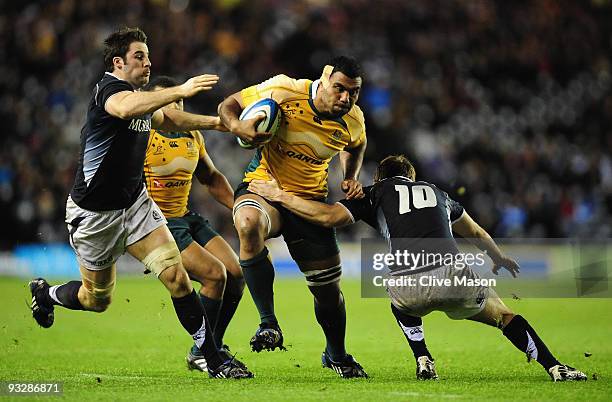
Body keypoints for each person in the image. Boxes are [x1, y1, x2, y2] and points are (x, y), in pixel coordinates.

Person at [28, 27, 252, 379]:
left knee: (178, 278)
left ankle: (214, 360)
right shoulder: (109, 91)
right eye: (139, 56)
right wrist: (180, 89)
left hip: (134, 205)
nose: (147, 62)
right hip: (94, 215)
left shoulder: (138, 98)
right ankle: (47, 293)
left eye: (148, 56)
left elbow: (170, 118)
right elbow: (126, 108)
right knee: (96, 300)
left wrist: (223, 125)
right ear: (118, 62)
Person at [247, 155, 588, 382]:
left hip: (407, 282)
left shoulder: (374, 191)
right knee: (504, 316)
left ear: (380, 177)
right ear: (412, 177)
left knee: (399, 301)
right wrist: (498, 259)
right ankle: (555, 367)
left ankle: (423, 357)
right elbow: (477, 233)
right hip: (452, 273)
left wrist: (280, 195)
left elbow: (326, 217)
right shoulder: (437, 192)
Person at [217, 56, 368, 378]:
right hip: (263, 186)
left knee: (327, 291)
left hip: (309, 201)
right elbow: (228, 104)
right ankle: (268, 323)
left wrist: (349, 176)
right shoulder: (283, 89)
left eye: (353, 93)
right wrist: (237, 126)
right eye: (339, 89)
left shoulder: (353, 119)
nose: (345, 98)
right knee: (247, 223)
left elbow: (356, 145)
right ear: (325, 78)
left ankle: (337, 355)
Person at [143, 76, 245, 373]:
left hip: (186, 217)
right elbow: (168, 116)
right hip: (157, 221)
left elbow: (211, 178)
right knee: (215, 276)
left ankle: (212, 346)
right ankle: (204, 352)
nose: (173, 106)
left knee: (236, 273)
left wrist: (241, 206)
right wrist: (216, 121)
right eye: (166, 100)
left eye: (179, 100)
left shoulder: (192, 137)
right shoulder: (145, 132)